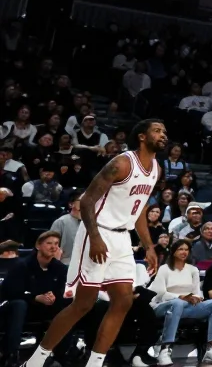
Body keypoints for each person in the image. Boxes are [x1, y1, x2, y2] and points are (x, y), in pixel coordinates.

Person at [24, 120, 166, 367]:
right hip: (97, 232)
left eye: (164, 131)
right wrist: (96, 238)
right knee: (83, 304)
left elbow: (141, 206)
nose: (163, 135)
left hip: (122, 237)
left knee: (123, 301)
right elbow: (87, 201)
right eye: (157, 131)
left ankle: (95, 363)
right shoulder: (121, 163)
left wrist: (149, 245)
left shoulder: (156, 168)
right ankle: (35, 361)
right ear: (142, 137)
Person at [148, 240, 212, 364]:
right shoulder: (164, 269)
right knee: (177, 303)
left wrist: (196, 297)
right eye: (180, 249)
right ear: (173, 251)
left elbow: (197, 292)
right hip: (163, 306)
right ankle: (165, 349)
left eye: (186, 249)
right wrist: (180, 296)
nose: (184, 252)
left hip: (187, 306)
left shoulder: (193, 270)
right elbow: (159, 294)